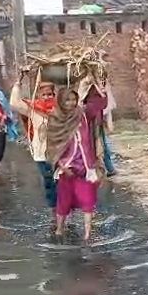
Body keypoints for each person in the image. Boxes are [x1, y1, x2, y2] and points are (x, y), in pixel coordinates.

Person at [46, 88, 105, 242]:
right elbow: (53, 145)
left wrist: (101, 89)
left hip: (86, 165)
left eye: (73, 99)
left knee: (88, 199)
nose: (71, 103)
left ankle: (87, 234)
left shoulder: (83, 114)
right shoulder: (56, 119)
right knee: (63, 201)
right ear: (61, 101)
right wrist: (62, 166)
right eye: (67, 100)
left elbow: (99, 104)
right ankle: (59, 229)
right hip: (67, 167)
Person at [10, 74, 58, 211]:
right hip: (41, 153)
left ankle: (64, 210)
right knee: (49, 181)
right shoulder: (33, 110)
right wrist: (18, 83)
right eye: (44, 95)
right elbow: (14, 104)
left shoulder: (60, 109)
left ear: (54, 95)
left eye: (50, 94)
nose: (47, 97)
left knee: (62, 182)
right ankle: (54, 210)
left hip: (60, 153)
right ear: (39, 95)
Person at [79, 76, 117, 176]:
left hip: (95, 120)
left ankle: (108, 168)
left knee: (100, 143)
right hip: (85, 119)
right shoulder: (85, 83)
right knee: (87, 144)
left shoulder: (100, 85)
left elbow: (103, 102)